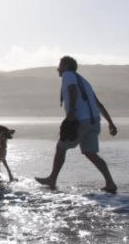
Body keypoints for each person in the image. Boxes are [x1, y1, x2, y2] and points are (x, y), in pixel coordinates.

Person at [35, 56, 118, 193]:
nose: (58, 68)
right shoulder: (84, 81)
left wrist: (72, 110)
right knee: (91, 153)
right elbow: (98, 104)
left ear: (66, 66)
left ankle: (52, 179)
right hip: (94, 121)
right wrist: (110, 123)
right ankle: (110, 183)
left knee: (61, 147)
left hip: (81, 120)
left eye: (60, 65)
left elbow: (72, 90)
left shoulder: (68, 75)